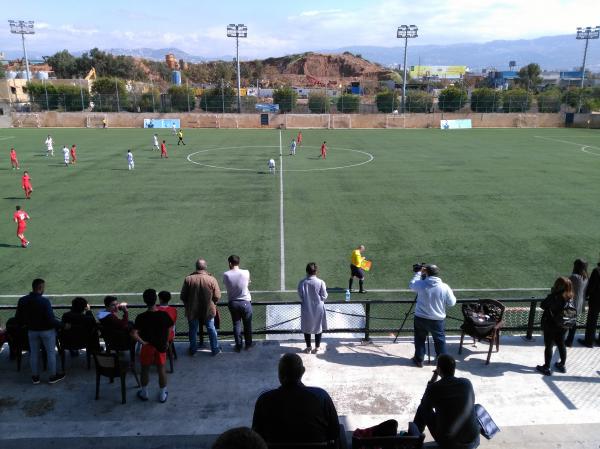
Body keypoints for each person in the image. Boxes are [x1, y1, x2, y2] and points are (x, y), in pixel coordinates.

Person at [252, 353, 345, 448]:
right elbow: (334, 432)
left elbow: (256, 436)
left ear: (280, 374)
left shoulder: (264, 400)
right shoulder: (321, 396)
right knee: (341, 429)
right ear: (302, 372)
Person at [413, 354, 480, 449]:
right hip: (473, 441)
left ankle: (413, 438)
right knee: (472, 406)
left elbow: (425, 404)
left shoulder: (434, 388)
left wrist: (433, 379)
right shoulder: (466, 383)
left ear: (439, 369)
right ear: (454, 369)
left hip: (449, 445)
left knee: (422, 408)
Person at [15, 278, 66, 384]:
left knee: (33, 353)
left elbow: (18, 318)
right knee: (50, 353)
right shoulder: (44, 301)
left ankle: (35, 377)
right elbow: (51, 320)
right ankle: (52, 376)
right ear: (40, 287)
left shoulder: (22, 300)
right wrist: (63, 325)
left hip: (32, 331)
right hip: (47, 332)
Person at [409, 264, 456, 368]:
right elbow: (452, 303)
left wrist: (418, 273)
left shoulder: (421, 284)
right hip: (437, 320)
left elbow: (411, 285)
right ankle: (442, 363)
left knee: (420, 339)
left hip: (420, 318)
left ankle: (419, 359)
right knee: (440, 341)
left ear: (426, 272)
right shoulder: (445, 287)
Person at [132, 289, 174, 403]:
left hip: (147, 347)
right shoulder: (163, 315)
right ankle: (162, 394)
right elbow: (168, 328)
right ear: (156, 300)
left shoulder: (141, 317)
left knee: (145, 369)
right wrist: (165, 341)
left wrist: (142, 342)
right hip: (160, 345)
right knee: (161, 369)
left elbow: (134, 333)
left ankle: (144, 392)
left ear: (145, 301)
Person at [180, 258, 222, 356]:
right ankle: (215, 349)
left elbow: (183, 296)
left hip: (192, 310)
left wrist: (188, 305)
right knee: (211, 329)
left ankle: (193, 349)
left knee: (193, 330)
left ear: (196, 267)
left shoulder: (188, 279)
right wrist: (213, 304)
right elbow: (217, 296)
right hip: (208, 310)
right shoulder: (211, 279)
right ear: (205, 267)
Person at [536, 277, 574, 375]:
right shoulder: (570, 297)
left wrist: (552, 293)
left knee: (549, 345)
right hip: (564, 325)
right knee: (561, 344)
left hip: (551, 324)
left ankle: (546, 367)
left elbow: (543, 305)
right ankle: (562, 365)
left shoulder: (554, 296)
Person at [223, 255, 253, 352]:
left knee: (236, 324)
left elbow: (227, 284)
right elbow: (247, 283)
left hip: (233, 303)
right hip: (245, 302)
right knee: (247, 324)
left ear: (230, 263)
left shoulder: (226, 274)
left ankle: (238, 346)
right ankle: (248, 345)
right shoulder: (246, 272)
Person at [298, 262, 328, 354]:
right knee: (318, 327)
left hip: (306, 307)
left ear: (307, 271)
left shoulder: (302, 282)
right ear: (316, 271)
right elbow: (324, 296)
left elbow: (301, 295)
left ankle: (308, 348)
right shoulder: (321, 282)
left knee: (307, 327)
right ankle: (317, 347)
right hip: (318, 307)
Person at [565, 259, 588, 347]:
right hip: (579, 303)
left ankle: (566, 341)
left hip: (571, 303)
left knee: (567, 322)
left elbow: (565, 286)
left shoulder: (574, 277)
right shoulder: (585, 277)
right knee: (572, 322)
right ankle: (569, 341)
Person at [580, 259, 600, 347]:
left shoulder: (597, 270)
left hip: (596, 300)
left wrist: (586, 295)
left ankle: (589, 341)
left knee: (592, 320)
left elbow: (592, 286)